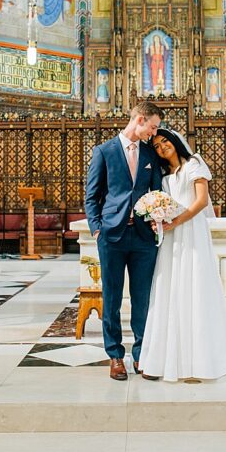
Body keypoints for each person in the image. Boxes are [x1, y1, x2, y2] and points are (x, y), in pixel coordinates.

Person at [138, 129, 226, 382]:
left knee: (194, 289)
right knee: (169, 290)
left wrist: (175, 221)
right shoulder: (164, 176)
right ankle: (164, 359)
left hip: (192, 231)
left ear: (175, 141)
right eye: (157, 146)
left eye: (165, 141)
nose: (162, 148)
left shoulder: (194, 163)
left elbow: (202, 201)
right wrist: (157, 219)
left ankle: (200, 360)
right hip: (171, 238)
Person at [84, 101, 165, 380]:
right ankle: (115, 355)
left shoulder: (150, 155)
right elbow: (91, 197)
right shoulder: (104, 152)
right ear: (140, 120)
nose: (153, 134)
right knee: (112, 298)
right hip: (112, 237)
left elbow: (156, 191)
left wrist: (157, 221)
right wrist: (97, 230)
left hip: (143, 238)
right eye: (152, 127)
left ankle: (142, 355)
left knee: (142, 299)